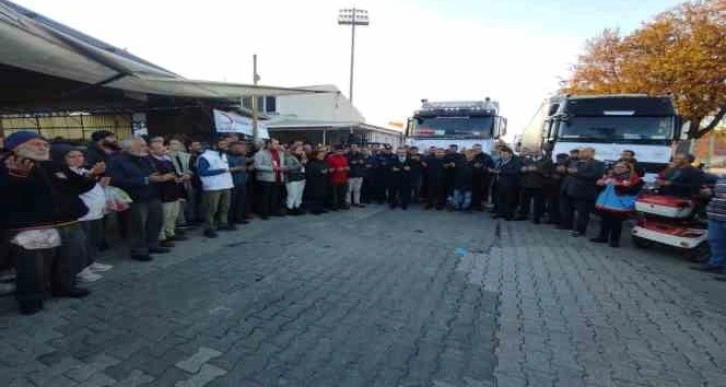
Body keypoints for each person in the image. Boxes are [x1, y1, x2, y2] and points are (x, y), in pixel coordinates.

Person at [0, 131, 94, 315]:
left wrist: (91, 178)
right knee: (34, 268)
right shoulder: (5, 167)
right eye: (36, 144)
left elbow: (77, 185)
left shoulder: (54, 165)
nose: (43, 147)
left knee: (70, 258)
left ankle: (64, 287)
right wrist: (18, 177)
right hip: (32, 227)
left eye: (45, 144)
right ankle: (30, 299)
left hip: (68, 222)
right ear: (16, 147)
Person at [55, 145, 114, 283]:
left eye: (80, 156)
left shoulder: (85, 170)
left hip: (96, 212)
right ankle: (81, 269)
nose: (77, 159)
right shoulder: (65, 174)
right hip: (82, 215)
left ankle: (91, 261)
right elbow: (76, 188)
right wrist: (92, 174)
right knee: (81, 243)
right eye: (72, 156)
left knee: (94, 239)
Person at [107, 138, 172, 261]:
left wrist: (160, 177)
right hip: (134, 198)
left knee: (156, 221)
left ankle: (153, 244)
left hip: (153, 195)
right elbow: (116, 181)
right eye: (141, 146)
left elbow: (153, 173)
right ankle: (138, 250)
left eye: (144, 145)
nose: (145, 148)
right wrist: (146, 180)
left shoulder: (144, 158)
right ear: (128, 148)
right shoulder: (116, 161)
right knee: (137, 226)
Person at [591, 162, 643, 247]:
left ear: (628, 169)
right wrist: (599, 184)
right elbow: (601, 188)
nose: (618, 168)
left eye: (621, 167)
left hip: (619, 205)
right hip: (606, 204)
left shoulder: (634, 178)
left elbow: (633, 192)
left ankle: (614, 241)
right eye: (616, 167)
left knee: (616, 224)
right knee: (604, 221)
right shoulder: (610, 176)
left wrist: (620, 185)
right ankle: (602, 237)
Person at [148, 140, 188, 246]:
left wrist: (180, 178)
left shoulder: (167, 159)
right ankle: (162, 237)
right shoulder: (150, 161)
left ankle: (170, 232)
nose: (164, 149)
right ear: (152, 150)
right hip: (162, 192)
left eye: (163, 147)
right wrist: (165, 177)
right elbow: (154, 176)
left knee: (173, 214)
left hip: (173, 190)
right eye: (160, 148)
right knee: (164, 215)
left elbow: (174, 172)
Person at [560, 147, 605, 237]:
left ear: (592, 153)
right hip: (568, 189)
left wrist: (576, 172)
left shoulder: (597, 163)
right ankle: (567, 225)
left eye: (585, 152)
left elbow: (595, 175)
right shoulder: (574, 161)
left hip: (584, 191)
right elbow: (567, 171)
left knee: (583, 212)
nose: (582, 153)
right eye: (581, 152)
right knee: (567, 210)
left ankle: (580, 230)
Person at [197, 137, 235, 237]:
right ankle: (208, 228)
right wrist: (220, 171)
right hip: (212, 186)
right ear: (215, 145)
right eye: (222, 144)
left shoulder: (223, 155)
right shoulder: (205, 156)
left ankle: (223, 223)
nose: (225, 146)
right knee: (211, 209)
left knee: (225, 206)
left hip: (226, 185)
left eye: (225, 144)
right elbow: (202, 172)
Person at [692, 175, 726, 274]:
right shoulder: (722, 178)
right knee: (715, 241)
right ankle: (715, 264)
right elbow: (716, 193)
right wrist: (709, 192)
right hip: (715, 216)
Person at [516, 149, 552, 224]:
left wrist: (537, 169)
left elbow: (548, 172)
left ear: (541, 152)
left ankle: (537, 217)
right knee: (524, 201)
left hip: (539, 185)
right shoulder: (526, 160)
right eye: (533, 151)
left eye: (537, 152)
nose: (535, 153)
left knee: (538, 203)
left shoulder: (547, 160)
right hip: (526, 184)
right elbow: (520, 168)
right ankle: (523, 215)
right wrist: (522, 169)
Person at [254, 139, 286, 219]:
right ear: (269, 144)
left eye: (278, 144)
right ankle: (264, 213)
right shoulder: (260, 153)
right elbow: (257, 166)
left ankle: (273, 210)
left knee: (274, 196)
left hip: (277, 177)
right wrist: (273, 168)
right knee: (265, 197)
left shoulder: (280, 153)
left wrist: (282, 168)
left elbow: (280, 163)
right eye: (275, 144)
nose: (277, 145)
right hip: (265, 178)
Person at [168, 139, 195, 228]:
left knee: (188, 202)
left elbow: (191, 168)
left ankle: (188, 220)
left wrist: (188, 174)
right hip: (175, 183)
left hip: (187, 182)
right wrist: (179, 177)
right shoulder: (166, 156)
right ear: (168, 145)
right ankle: (180, 223)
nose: (176, 146)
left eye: (178, 144)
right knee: (178, 204)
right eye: (174, 144)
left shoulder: (185, 156)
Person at [491, 148, 520, 220]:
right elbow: (496, 170)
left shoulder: (515, 162)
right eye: (502, 154)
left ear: (510, 155)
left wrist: (501, 172)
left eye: (505, 154)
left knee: (509, 200)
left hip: (509, 185)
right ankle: (499, 213)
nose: (503, 155)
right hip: (499, 184)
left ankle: (508, 215)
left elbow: (515, 172)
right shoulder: (500, 162)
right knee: (499, 199)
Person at [226, 141, 250, 225]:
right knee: (232, 202)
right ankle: (230, 220)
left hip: (242, 181)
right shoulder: (226, 156)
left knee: (241, 201)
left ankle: (239, 217)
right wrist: (237, 168)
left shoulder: (242, 157)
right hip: (232, 182)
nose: (244, 149)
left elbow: (244, 168)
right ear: (235, 147)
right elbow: (225, 169)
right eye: (242, 148)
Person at [544, 153, 569, 225]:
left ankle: (560, 220)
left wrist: (561, 177)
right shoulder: (553, 165)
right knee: (551, 204)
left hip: (563, 188)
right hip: (552, 187)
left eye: (561, 159)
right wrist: (551, 175)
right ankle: (552, 218)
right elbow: (546, 172)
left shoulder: (567, 167)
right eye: (558, 159)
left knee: (561, 206)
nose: (559, 161)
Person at [304, 150, 330, 215]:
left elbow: (327, 168)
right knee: (314, 195)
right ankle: (314, 209)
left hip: (322, 181)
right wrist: (320, 172)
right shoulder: (312, 163)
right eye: (320, 155)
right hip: (314, 182)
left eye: (323, 155)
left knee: (322, 195)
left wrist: (327, 171)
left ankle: (321, 208)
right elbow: (309, 172)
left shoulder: (324, 162)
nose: (322, 156)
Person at [284, 145, 307, 215]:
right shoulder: (289, 157)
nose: (301, 151)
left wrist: (304, 158)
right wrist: (301, 164)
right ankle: (290, 208)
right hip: (292, 178)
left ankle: (297, 207)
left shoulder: (302, 157)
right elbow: (290, 168)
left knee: (299, 194)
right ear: (293, 150)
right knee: (292, 195)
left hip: (301, 178)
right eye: (299, 150)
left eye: (301, 150)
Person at [471, 144, 494, 211]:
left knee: (482, 193)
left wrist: (482, 167)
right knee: (473, 192)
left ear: (481, 149)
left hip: (483, 178)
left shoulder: (487, 157)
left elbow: (491, 167)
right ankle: (473, 205)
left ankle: (480, 206)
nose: (476, 150)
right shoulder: (471, 155)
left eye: (478, 149)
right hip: (472, 178)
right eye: (475, 149)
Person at [327, 145, 350, 211]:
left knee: (342, 193)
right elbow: (329, 168)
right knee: (334, 194)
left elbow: (347, 166)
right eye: (339, 151)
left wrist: (346, 168)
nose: (340, 152)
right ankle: (335, 205)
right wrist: (336, 169)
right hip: (334, 178)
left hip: (343, 178)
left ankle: (342, 204)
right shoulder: (330, 158)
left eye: (341, 151)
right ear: (335, 151)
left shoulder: (344, 158)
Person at [346, 144, 366, 208]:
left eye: (355, 147)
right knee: (349, 190)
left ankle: (356, 202)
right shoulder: (348, 155)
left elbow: (364, 163)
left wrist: (362, 162)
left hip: (359, 174)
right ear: (351, 148)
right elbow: (346, 162)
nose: (354, 148)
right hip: (350, 174)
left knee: (357, 190)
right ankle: (348, 202)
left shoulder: (361, 155)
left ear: (357, 148)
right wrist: (351, 162)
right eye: (353, 147)